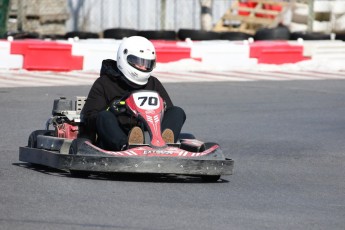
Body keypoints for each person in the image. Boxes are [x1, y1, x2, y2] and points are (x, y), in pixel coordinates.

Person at [78, 36, 186, 151]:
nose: (144, 67)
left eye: (147, 63)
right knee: (104, 116)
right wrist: (112, 110)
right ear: (124, 58)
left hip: (145, 132)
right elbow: (89, 118)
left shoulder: (152, 83)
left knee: (177, 112)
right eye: (139, 62)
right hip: (112, 138)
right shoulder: (105, 83)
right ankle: (127, 146)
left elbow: (168, 110)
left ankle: (164, 144)